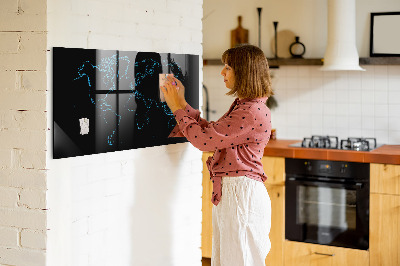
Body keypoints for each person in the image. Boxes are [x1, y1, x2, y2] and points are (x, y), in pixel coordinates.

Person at [161, 44, 273, 266]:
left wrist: (176, 108)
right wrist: (182, 103)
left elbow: (204, 141)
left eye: (228, 67)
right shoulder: (246, 106)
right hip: (236, 193)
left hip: (241, 195)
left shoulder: (250, 111)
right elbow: (212, 133)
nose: (222, 72)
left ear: (244, 72)